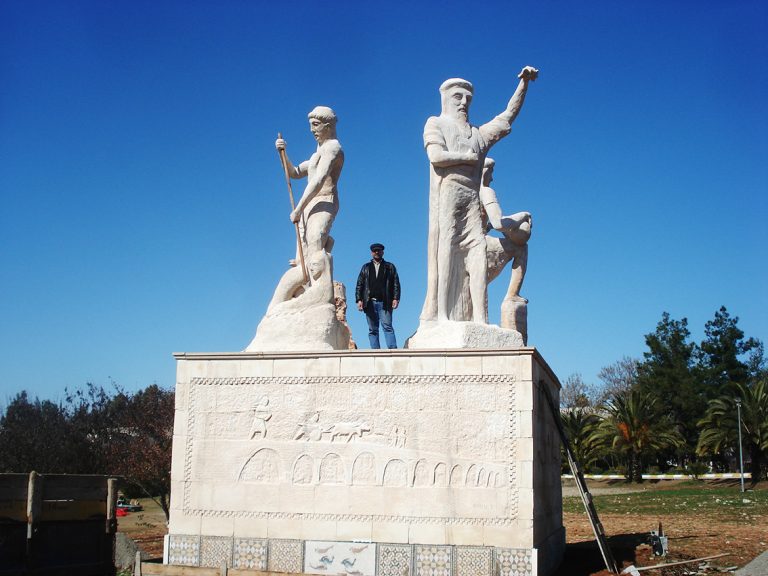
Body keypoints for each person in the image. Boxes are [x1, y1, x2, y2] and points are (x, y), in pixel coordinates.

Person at [420, 67, 538, 324]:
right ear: (446, 99)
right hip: (449, 194)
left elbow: (507, 117)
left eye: (468, 99)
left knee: (477, 253)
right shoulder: (435, 123)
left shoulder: (478, 134)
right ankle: (442, 317)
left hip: (472, 199)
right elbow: (436, 157)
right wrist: (465, 158)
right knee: (447, 252)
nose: (463, 103)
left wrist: (523, 85)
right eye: (458, 97)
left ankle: (480, 319)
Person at [275, 106, 344, 264]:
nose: (312, 130)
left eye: (315, 125)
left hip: (325, 200)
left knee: (315, 240)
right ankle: (307, 270)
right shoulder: (315, 155)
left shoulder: (333, 148)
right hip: (310, 203)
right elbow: (293, 173)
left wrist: (298, 209)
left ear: (327, 126)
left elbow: (319, 180)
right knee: (302, 253)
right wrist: (283, 153)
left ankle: (323, 257)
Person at [355, 243, 400, 349]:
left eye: (379, 250)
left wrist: (396, 298)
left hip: (385, 302)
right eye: (374, 250)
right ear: (371, 253)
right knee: (372, 329)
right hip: (369, 302)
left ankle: (393, 351)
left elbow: (396, 283)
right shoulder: (365, 267)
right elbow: (359, 284)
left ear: (382, 252)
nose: (376, 252)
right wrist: (359, 300)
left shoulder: (389, 266)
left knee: (387, 326)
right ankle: (375, 353)